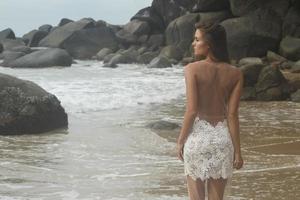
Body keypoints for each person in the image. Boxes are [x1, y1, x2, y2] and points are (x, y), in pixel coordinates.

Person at [176, 21, 244, 200]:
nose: (193, 43)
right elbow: (232, 115)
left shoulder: (192, 69)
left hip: (198, 139)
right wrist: (238, 151)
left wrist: (180, 141)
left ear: (209, 44)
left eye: (197, 39)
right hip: (222, 140)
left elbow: (191, 111)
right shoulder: (236, 73)